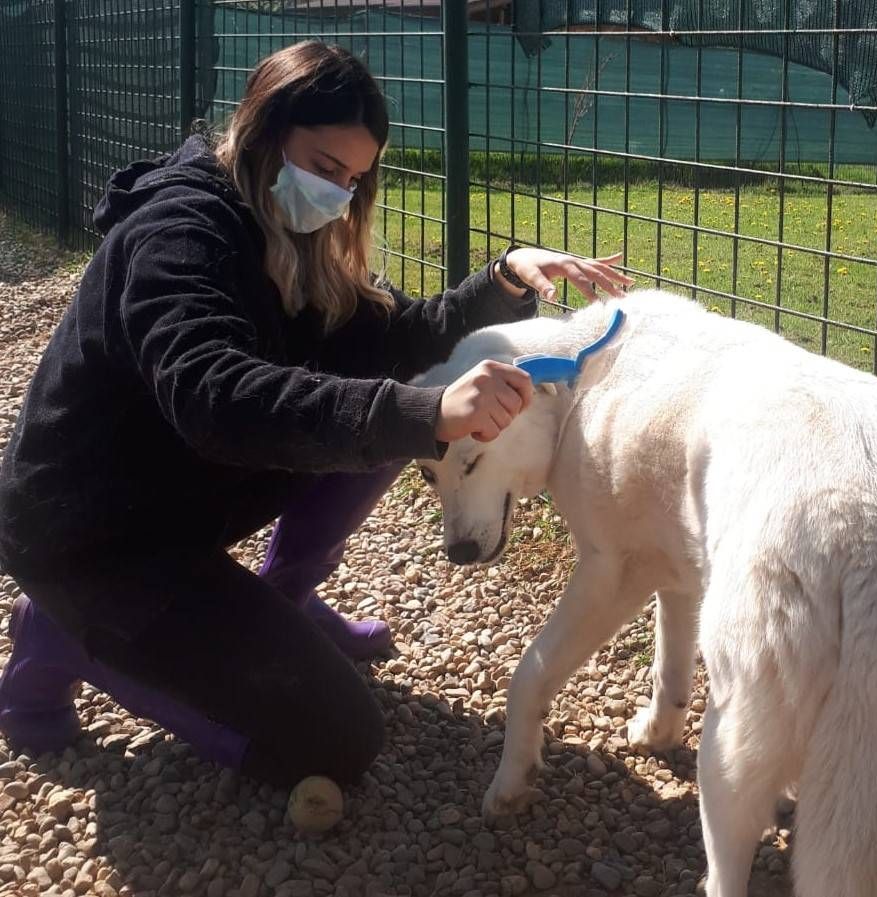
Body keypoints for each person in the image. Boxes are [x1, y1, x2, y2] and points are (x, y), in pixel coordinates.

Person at [0, 41, 631, 788]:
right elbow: (214, 395)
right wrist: (423, 412)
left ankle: (282, 598)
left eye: (354, 178)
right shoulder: (181, 233)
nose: (338, 193)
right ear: (266, 132)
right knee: (336, 740)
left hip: (179, 498)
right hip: (92, 537)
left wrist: (503, 277)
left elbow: (393, 339)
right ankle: (60, 631)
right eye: (326, 167)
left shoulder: (291, 233)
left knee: (396, 408)